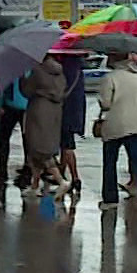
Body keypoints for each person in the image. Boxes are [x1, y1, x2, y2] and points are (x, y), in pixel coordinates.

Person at [98, 52, 137, 209]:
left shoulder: (111, 77)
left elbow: (106, 103)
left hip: (116, 123)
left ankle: (110, 199)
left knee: (110, 162)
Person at [21, 54, 68, 196]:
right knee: (40, 148)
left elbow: (26, 91)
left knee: (38, 148)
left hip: (38, 111)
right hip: (54, 112)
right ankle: (34, 184)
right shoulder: (60, 73)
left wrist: (23, 78)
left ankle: (61, 181)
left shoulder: (37, 71)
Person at [57, 52, 88, 192]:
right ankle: (62, 173)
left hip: (66, 110)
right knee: (65, 145)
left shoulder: (67, 69)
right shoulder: (78, 70)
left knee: (67, 145)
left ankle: (75, 178)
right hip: (76, 111)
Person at [0, 74, 31, 186]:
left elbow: (3, 87)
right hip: (27, 107)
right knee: (27, 140)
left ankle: (2, 169)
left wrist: (0, 104)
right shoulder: (31, 68)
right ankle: (27, 170)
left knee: (4, 138)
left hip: (10, 105)